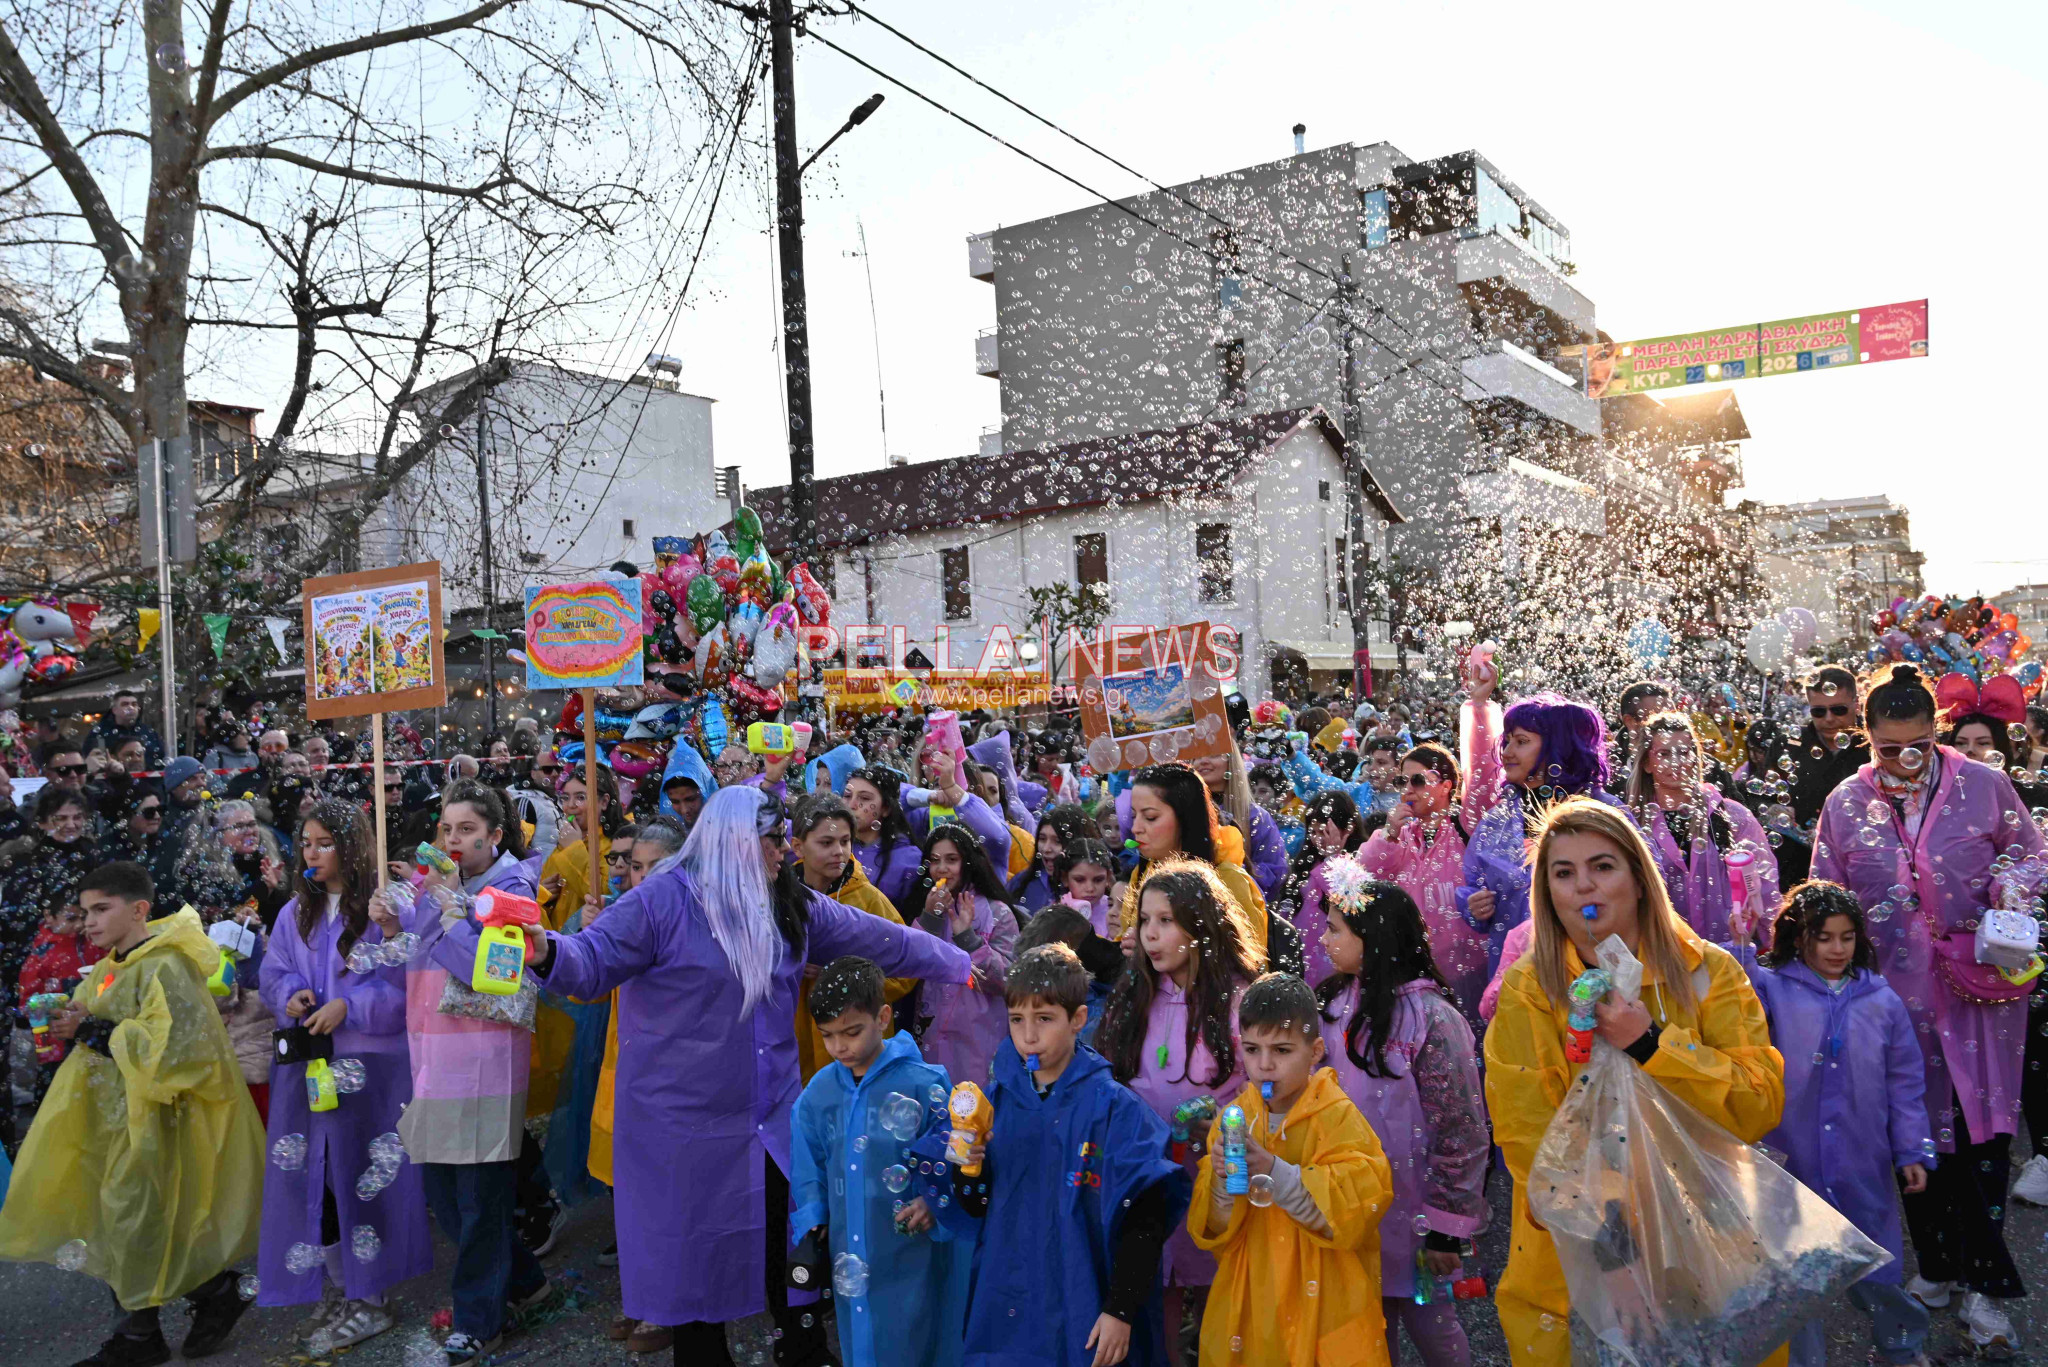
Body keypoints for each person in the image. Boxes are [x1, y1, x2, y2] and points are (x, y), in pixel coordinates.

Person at [516, 785, 974, 1366]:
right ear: (735, 841)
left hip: (769, 1120)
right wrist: (545, 951)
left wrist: (961, 965)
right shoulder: (661, 901)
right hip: (680, 1128)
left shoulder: (787, 903)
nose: (784, 851)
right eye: (772, 839)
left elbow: (879, 939)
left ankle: (801, 1346)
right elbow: (591, 961)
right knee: (693, 1272)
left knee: (791, 1246)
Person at [1487, 798, 1782, 1367]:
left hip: (1705, 1235)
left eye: (1603, 866)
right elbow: (1532, 1137)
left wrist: (1651, 1045)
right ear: (1546, 892)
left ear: (1640, 881)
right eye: (1563, 873)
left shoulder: (1706, 972)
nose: (1583, 887)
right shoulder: (1530, 991)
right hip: (1575, 1257)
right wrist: (1613, 1256)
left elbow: (1758, 1101)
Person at [1812, 663, 2043, 1352]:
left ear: (1936, 730)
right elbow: (1827, 892)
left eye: (1917, 744)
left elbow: (2031, 854)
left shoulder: (1985, 783)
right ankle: (1940, 1267)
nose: (1904, 760)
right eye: (1887, 747)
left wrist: (2009, 886)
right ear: (1866, 736)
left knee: (1981, 1139)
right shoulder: (1844, 803)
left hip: (1979, 992)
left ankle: (1988, 1288)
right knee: (1913, 1137)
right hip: (1894, 1002)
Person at [0, 862, 264, 1365]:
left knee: (133, 1214)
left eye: (102, 909)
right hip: (114, 1113)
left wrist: (92, 1032)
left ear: (139, 909)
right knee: (128, 1216)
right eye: (84, 912)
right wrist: (67, 1017)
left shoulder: (164, 966)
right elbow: (96, 1013)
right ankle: (196, 1301)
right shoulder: (111, 965)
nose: (90, 922)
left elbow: (179, 1052)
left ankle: (150, 1329)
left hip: (160, 1117)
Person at [911, 943, 1190, 1367]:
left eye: (1044, 1019)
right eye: (1017, 1020)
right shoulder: (994, 1103)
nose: (1028, 1035)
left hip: (1086, 1297)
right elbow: (974, 1206)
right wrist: (969, 1169)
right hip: (1009, 1302)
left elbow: (1144, 1220)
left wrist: (1121, 1308)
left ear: (1078, 1019)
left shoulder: (1116, 1109)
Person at [373, 780, 554, 1366]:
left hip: (484, 1064)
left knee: (477, 1202)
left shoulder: (513, 887)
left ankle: (480, 1319)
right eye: (447, 830)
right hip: (431, 1060)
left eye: (468, 830)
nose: (453, 841)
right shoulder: (435, 889)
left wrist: (439, 909)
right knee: (447, 1200)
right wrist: (392, 928)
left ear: (496, 835)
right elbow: (415, 962)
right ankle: (525, 1283)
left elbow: (493, 973)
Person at [1734, 881, 1934, 1367]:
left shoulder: (1882, 1002)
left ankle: (1903, 1348)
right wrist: (1741, 940)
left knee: (1876, 1271)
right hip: (1792, 1163)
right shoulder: (1773, 987)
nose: (1836, 948)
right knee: (1796, 1282)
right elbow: (1735, 998)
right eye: (1823, 937)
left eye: (1846, 937)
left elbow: (1904, 1082)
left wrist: (1911, 1149)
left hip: (1861, 1163)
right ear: (1798, 937)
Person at [257, 798, 428, 1351]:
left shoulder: (381, 912)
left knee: (365, 1176)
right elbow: (274, 968)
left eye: (324, 843)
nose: (311, 853)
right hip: (310, 1064)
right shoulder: (294, 912)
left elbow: (405, 983)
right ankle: (340, 1284)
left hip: (368, 1066)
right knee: (319, 1179)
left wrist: (350, 1008)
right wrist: (291, 995)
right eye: (305, 843)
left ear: (350, 846)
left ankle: (371, 1295)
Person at [1316, 871, 1488, 1366]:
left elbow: (1460, 1126)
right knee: (1367, 1325)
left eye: (1335, 929)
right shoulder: (1332, 1004)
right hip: (1354, 1204)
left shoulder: (1432, 1018)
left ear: (1372, 938)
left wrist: (1445, 1226)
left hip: (1413, 1205)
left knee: (1431, 1321)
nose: (1324, 939)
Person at [1096, 862, 1265, 1364]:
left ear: (1202, 924)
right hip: (1151, 1177)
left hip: (1220, 1176)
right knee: (1156, 1291)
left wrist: (1225, 1114)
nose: (1150, 934)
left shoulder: (1240, 999)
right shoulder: (1134, 995)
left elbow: (1269, 1086)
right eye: (1145, 920)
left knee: (1225, 1295)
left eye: (1166, 920)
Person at [1192, 972, 1393, 1366]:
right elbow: (1214, 1228)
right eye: (1252, 1049)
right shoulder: (1235, 1118)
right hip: (1252, 1301)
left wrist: (1274, 1171)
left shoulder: (1337, 1117)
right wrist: (1219, 1179)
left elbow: (1352, 1214)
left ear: (1315, 1050)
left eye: (1282, 1051)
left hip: (1324, 1304)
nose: (1264, 1065)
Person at [788, 957, 969, 1367]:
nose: (840, 1047)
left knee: (915, 1338)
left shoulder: (923, 1084)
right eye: (828, 1036)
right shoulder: (818, 1093)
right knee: (860, 1339)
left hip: (909, 1250)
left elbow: (953, 1151)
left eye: (852, 1032)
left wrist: (932, 1201)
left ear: (883, 1016)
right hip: (847, 1244)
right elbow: (807, 1162)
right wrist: (814, 1217)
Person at [1459, 678, 1622, 977]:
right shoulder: (1499, 818)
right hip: (1520, 976)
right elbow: (1474, 881)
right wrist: (1474, 904)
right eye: (1507, 741)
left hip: (1595, 973)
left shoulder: (1603, 813)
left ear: (1556, 749)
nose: (1507, 751)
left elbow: (1642, 884)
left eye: (1521, 742)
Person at [1358, 735, 1496, 1035]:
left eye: (1418, 780)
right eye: (1402, 782)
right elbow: (1366, 873)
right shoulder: (1401, 835)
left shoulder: (1467, 830)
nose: (1408, 790)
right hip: (1415, 973)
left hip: (1470, 969)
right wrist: (1390, 832)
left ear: (1446, 785)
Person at [1119, 762, 1297, 975]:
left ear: (1185, 819)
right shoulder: (1143, 875)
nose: (1135, 828)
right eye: (1134, 815)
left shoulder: (1229, 881)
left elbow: (1249, 972)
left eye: (1150, 817)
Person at [1628, 713, 1781, 951]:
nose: (1676, 762)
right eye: (1664, 754)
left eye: (1684, 752)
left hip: (1729, 954)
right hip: (1661, 956)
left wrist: (1776, 946)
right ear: (1647, 763)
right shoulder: (1633, 824)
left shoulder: (1730, 816)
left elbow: (1765, 886)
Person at [791, 793, 917, 1080]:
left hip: (859, 1056)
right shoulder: (783, 898)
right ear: (798, 846)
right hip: (795, 1046)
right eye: (826, 842)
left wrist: (842, 979)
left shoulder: (869, 902)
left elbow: (906, 971)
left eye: (845, 841)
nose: (838, 851)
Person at [911, 823, 1017, 1090]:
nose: (942, 868)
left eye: (951, 859)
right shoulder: (927, 905)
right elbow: (911, 966)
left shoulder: (998, 912)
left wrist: (968, 939)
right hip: (932, 1036)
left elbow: (1009, 979)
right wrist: (928, 920)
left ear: (968, 861)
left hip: (980, 1040)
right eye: (934, 861)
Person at [1787, 664, 1871, 886]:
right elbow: (1758, 798)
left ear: (1857, 705)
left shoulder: (1874, 745)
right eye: (1819, 711)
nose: (1829, 718)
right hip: (1797, 867)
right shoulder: (1789, 745)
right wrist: (1775, 808)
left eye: (1839, 709)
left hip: (1860, 863)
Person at [1189, 745, 1289, 905]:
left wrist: (1234, 874)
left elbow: (1273, 873)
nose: (1203, 761)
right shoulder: (1182, 812)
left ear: (1232, 761)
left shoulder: (1256, 817)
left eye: (1214, 754)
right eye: (1197, 756)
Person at [845, 766, 924, 914]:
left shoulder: (909, 860)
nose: (852, 805)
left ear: (886, 808)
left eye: (864, 798)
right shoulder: (833, 847)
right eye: (848, 795)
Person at [1006, 803, 1094, 916]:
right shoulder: (1021, 883)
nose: (1047, 849)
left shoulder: (1093, 890)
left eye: (1057, 841)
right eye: (1042, 839)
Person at [1053, 836, 1118, 937]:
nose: (1090, 888)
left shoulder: (1116, 911)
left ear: (1108, 877)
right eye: (1080, 880)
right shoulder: (1054, 914)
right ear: (1065, 878)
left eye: (1098, 880)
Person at [89, 690, 165, 770]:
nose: (130, 707)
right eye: (125, 704)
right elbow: (95, 761)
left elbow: (160, 757)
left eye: (134, 704)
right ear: (114, 710)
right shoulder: (100, 733)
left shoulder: (149, 732)